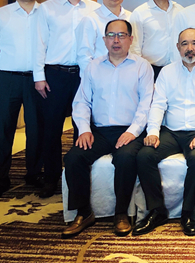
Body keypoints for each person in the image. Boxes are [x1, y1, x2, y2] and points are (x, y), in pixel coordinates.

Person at [62, 19, 153, 238]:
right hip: (99, 131)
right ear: (104, 40)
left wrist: (132, 131)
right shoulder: (93, 66)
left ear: (131, 39)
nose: (116, 40)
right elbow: (82, 101)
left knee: (125, 158)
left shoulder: (142, 66)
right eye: (111, 35)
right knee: (74, 158)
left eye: (121, 35)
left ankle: (121, 213)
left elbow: (146, 104)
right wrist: (84, 129)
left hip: (130, 130)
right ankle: (84, 212)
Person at [133, 28, 195, 237]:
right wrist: (153, 132)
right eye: (184, 43)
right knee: (144, 155)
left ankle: (188, 213)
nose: (189, 48)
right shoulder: (167, 72)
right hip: (171, 132)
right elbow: (158, 104)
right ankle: (157, 211)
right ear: (177, 47)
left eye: (194, 43)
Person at [34, 0, 100, 198]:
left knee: (82, 126)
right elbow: (39, 43)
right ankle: (51, 178)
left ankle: (76, 177)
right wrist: (39, 76)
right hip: (55, 74)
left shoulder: (95, 9)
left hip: (85, 74)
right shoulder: (47, 8)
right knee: (51, 129)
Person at [0, 0, 43, 199]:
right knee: (2, 130)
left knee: (37, 130)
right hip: (8, 79)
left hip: (38, 79)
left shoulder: (46, 14)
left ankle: (34, 174)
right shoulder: (0, 15)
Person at [129, 0, 183, 80]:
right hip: (150, 69)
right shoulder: (139, 13)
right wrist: (139, 70)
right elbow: (134, 47)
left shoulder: (180, 11)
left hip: (177, 69)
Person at [76, 0, 131, 75]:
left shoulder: (132, 17)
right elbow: (84, 55)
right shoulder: (91, 19)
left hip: (128, 74)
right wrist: (91, 78)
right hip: (100, 75)